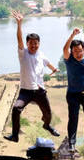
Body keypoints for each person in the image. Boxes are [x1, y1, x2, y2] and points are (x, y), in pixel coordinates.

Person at [4, 10, 60, 142]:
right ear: (27, 44)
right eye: (31, 43)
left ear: (39, 44)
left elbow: (48, 63)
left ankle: (47, 125)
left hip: (40, 90)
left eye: (36, 43)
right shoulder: (23, 54)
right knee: (16, 109)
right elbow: (19, 39)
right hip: (26, 91)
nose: (33, 45)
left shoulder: (41, 55)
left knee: (48, 114)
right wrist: (19, 24)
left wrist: (54, 69)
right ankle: (15, 135)